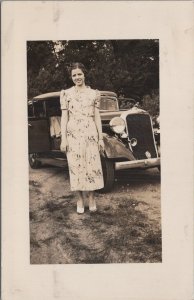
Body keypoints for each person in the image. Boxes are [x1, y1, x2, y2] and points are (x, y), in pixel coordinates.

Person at [60, 63, 105, 214]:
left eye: (79, 74)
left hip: (90, 132)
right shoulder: (66, 94)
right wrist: (64, 139)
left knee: (92, 165)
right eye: (74, 75)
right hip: (73, 134)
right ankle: (80, 199)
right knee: (75, 165)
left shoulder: (94, 93)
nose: (77, 77)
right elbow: (64, 117)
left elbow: (97, 116)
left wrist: (100, 138)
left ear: (84, 75)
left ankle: (91, 198)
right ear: (71, 77)